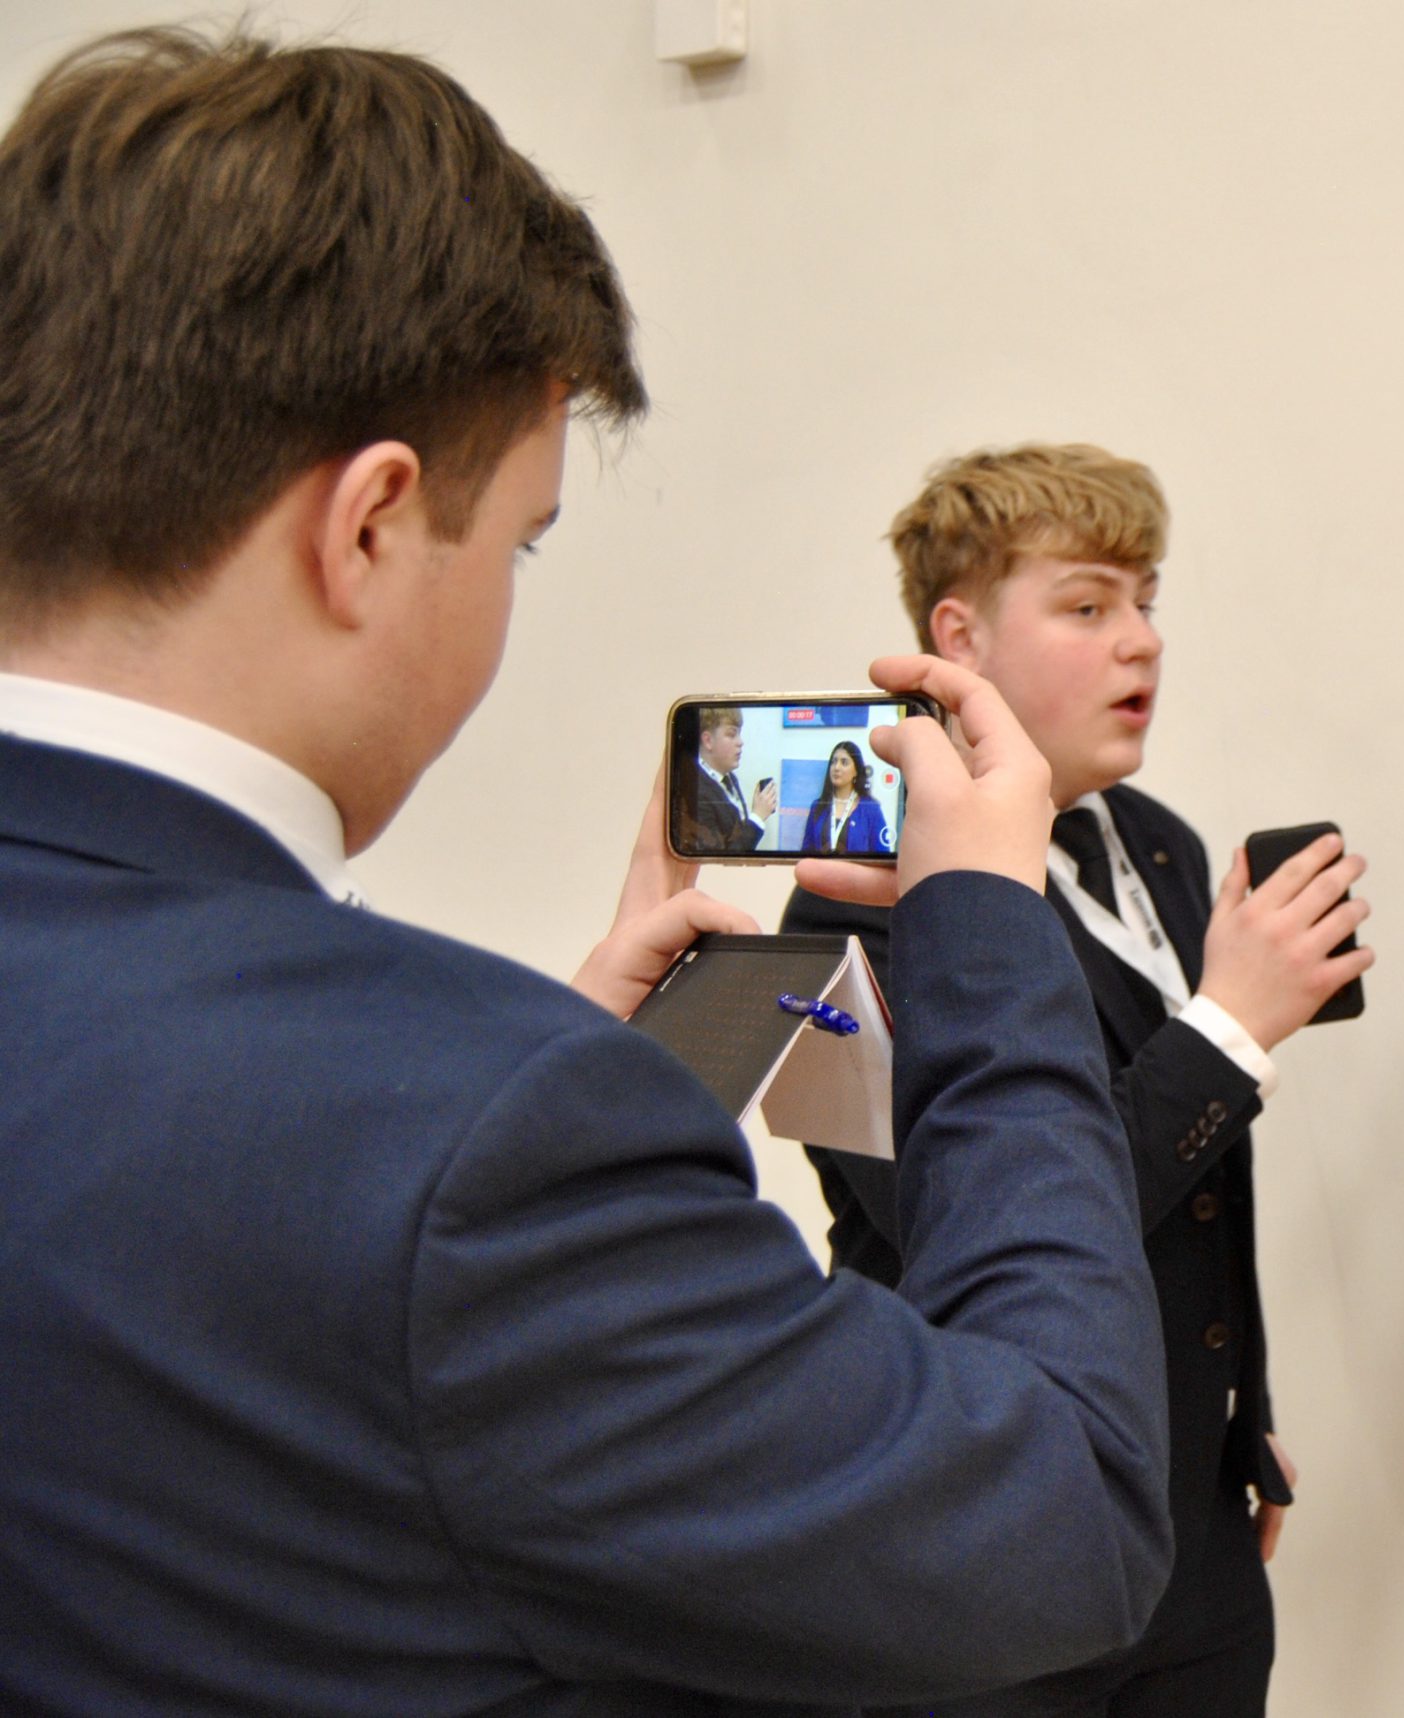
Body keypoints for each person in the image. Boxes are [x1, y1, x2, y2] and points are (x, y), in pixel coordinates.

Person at [0, 28, 1174, 1713]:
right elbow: (1061, 1509)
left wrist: (579, 1088)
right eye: (522, 542)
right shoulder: (479, 1133)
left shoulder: (471, 1110)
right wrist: (985, 926)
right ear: (369, 525)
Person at [782, 442, 1375, 1718]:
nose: (1141, 640)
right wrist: (1229, 1028)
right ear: (959, 636)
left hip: (1190, 1523)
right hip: (972, 1527)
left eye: (1146, 600)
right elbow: (943, 1213)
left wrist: (1235, 1419)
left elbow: (1203, 1191)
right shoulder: (846, 895)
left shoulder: (1159, 845)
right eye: (1088, 603)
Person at [685, 702, 778, 853]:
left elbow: (735, 837)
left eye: (739, 734)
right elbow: (719, 859)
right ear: (708, 740)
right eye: (731, 734)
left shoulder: (730, 778)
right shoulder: (695, 791)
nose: (740, 742)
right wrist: (757, 817)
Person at [804, 737, 892, 855]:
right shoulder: (818, 806)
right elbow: (806, 852)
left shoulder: (871, 809)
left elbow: (882, 855)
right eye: (834, 762)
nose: (836, 767)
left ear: (856, 771)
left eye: (844, 762)